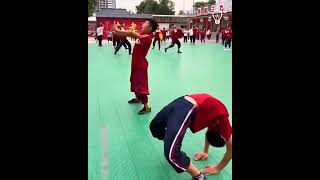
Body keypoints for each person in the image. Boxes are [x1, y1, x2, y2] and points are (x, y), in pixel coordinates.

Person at [149, 93, 232, 180]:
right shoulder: (223, 120)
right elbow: (230, 149)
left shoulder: (215, 120)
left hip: (183, 103)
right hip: (186, 105)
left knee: (171, 153)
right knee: (155, 127)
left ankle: (199, 177)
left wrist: (205, 152)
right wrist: (217, 168)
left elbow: (210, 133)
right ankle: (171, 144)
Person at [113, 19, 158, 114]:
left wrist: (117, 30)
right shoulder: (142, 33)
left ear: (150, 28)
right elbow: (130, 34)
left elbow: (132, 34)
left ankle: (147, 107)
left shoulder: (147, 37)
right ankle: (138, 98)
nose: (143, 24)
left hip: (140, 66)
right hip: (135, 64)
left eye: (145, 23)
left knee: (141, 85)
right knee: (134, 82)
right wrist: (118, 31)